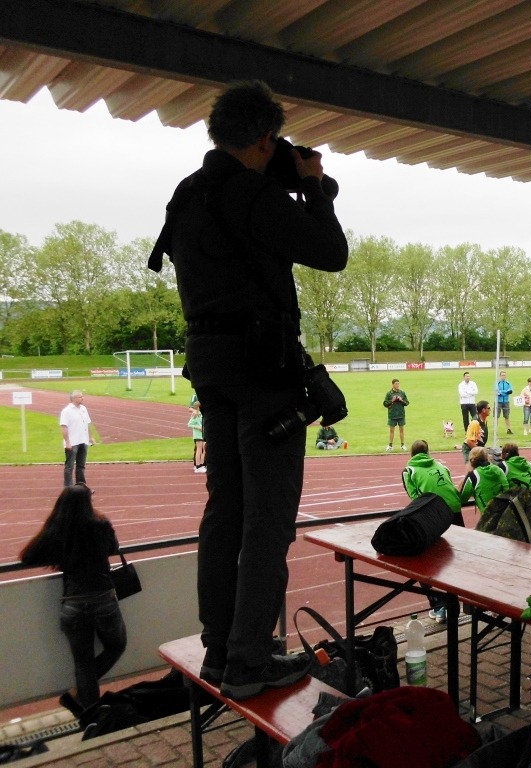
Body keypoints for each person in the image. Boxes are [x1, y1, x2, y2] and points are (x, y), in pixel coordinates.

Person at [151, 81, 347, 699]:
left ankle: (220, 648)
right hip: (264, 368)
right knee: (268, 519)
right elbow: (331, 252)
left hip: (210, 368)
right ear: (265, 139)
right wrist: (314, 188)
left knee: (226, 510)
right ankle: (249, 660)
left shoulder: (188, 193)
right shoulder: (255, 195)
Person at [20, 485, 127, 713]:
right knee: (117, 646)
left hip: (73, 603)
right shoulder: (101, 524)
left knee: (83, 663)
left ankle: (90, 714)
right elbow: (113, 547)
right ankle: (78, 698)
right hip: (103, 599)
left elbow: (28, 556)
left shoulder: (59, 529)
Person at [402, 440, 463, 622]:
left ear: (411, 454)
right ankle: (455, 604)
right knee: (456, 558)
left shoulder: (409, 470)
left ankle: (439, 606)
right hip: (454, 510)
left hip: (434, 514)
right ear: (428, 452)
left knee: (424, 560)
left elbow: (415, 498)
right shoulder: (441, 466)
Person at [60, 390, 98, 487]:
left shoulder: (83, 409)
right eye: (80, 397)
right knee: (69, 466)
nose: (82, 398)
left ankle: (81, 486)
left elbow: (87, 424)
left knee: (81, 466)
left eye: (82, 396)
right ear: (73, 399)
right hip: (73, 442)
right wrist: (67, 442)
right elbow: (64, 427)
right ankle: (68, 487)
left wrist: (91, 437)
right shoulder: (66, 411)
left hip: (83, 441)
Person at [459, 446, 509, 515]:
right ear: (487, 458)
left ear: (471, 461)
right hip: (506, 513)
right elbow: (506, 489)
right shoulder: (499, 470)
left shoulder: (474, 476)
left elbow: (462, 499)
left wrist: (464, 480)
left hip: (488, 517)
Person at [383, 378, 409, 452]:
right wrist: (392, 400)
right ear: (393, 384)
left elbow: (407, 403)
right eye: (396, 384)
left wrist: (401, 400)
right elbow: (385, 404)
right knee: (392, 430)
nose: (398, 385)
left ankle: (402, 445)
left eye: (398, 384)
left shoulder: (402, 393)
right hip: (392, 414)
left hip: (401, 414)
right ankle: (390, 445)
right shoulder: (389, 394)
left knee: (401, 430)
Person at [188, 393, 206, 473]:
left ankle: (202, 464)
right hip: (198, 434)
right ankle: (198, 465)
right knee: (199, 449)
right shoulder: (196, 415)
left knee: (204, 449)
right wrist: (198, 427)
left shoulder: (201, 415)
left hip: (203, 433)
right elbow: (190, 424)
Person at [495, 370, 514, 435]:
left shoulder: (508, 383)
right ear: (500, 376)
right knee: (496, 416)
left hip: (506, 401)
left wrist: (502, 392)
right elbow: (497, 392)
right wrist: (505, 392)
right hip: (498, 402)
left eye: (504, 375)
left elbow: (510, 391)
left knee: (507, 416)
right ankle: (495, 430)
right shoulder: (497, 383)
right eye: (502, 375)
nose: (504, 376)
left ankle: (509, 429)